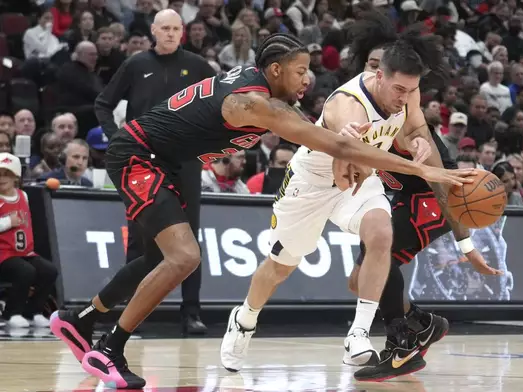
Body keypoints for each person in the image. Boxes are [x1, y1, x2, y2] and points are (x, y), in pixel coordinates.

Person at [50, 32, 474, 389]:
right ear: (274, 71)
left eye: (309, 69)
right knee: (184, 257)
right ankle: (110, 349)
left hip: (172, 160)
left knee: (160, 257)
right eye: (299, 71)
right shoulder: (256, 104)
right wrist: (419, 167)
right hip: (139, 154)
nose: (307, 78)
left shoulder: (271, 93)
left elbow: (341, 137)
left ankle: (82, 320)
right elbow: (339, 143)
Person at [219, 13, 476, 373]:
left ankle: (358, 334)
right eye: (398, 90)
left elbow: (416, 126)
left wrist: (418, 142)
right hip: (312, 182)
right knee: (279, 267)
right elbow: (347, 148)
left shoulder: (408, 91)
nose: (404, 98)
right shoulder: (347, 103)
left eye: (410, 91)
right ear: (378, 76)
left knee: (381, 234)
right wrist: (362, 142)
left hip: (357, 182)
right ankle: (244, 318)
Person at [342, 18, 501, 381]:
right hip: (397, 196)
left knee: (377, 266)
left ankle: (402, 344)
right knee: (358, 281)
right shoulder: (355, 103)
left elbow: (442, 186)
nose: (375, 73)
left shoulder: (407, 115)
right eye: (369, 65)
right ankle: (422, 323)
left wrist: (466, 244)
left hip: (432, 197)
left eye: (380, 67)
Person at [93, 9, 215, 334]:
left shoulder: (199, 66)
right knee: (140, 241)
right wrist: (115, 134)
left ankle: (191, 312)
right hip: (142, 161)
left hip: (187, 162)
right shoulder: (136, 64)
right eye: (165, 28)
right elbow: (103, 103)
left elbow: (216, 109)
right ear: (153, 31)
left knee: (191, 240)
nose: (172, 33)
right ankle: (132, 315)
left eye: (177, 28)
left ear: (182, 32)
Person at [0, 153, 58, 329]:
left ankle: (34, 312)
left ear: (16, 177)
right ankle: (12, 313)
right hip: (4, 254)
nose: (2, 178)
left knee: (49, 271)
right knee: (26, 271)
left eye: (7, 174)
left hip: (24, 252)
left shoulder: (22, 196)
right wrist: (9, 222)